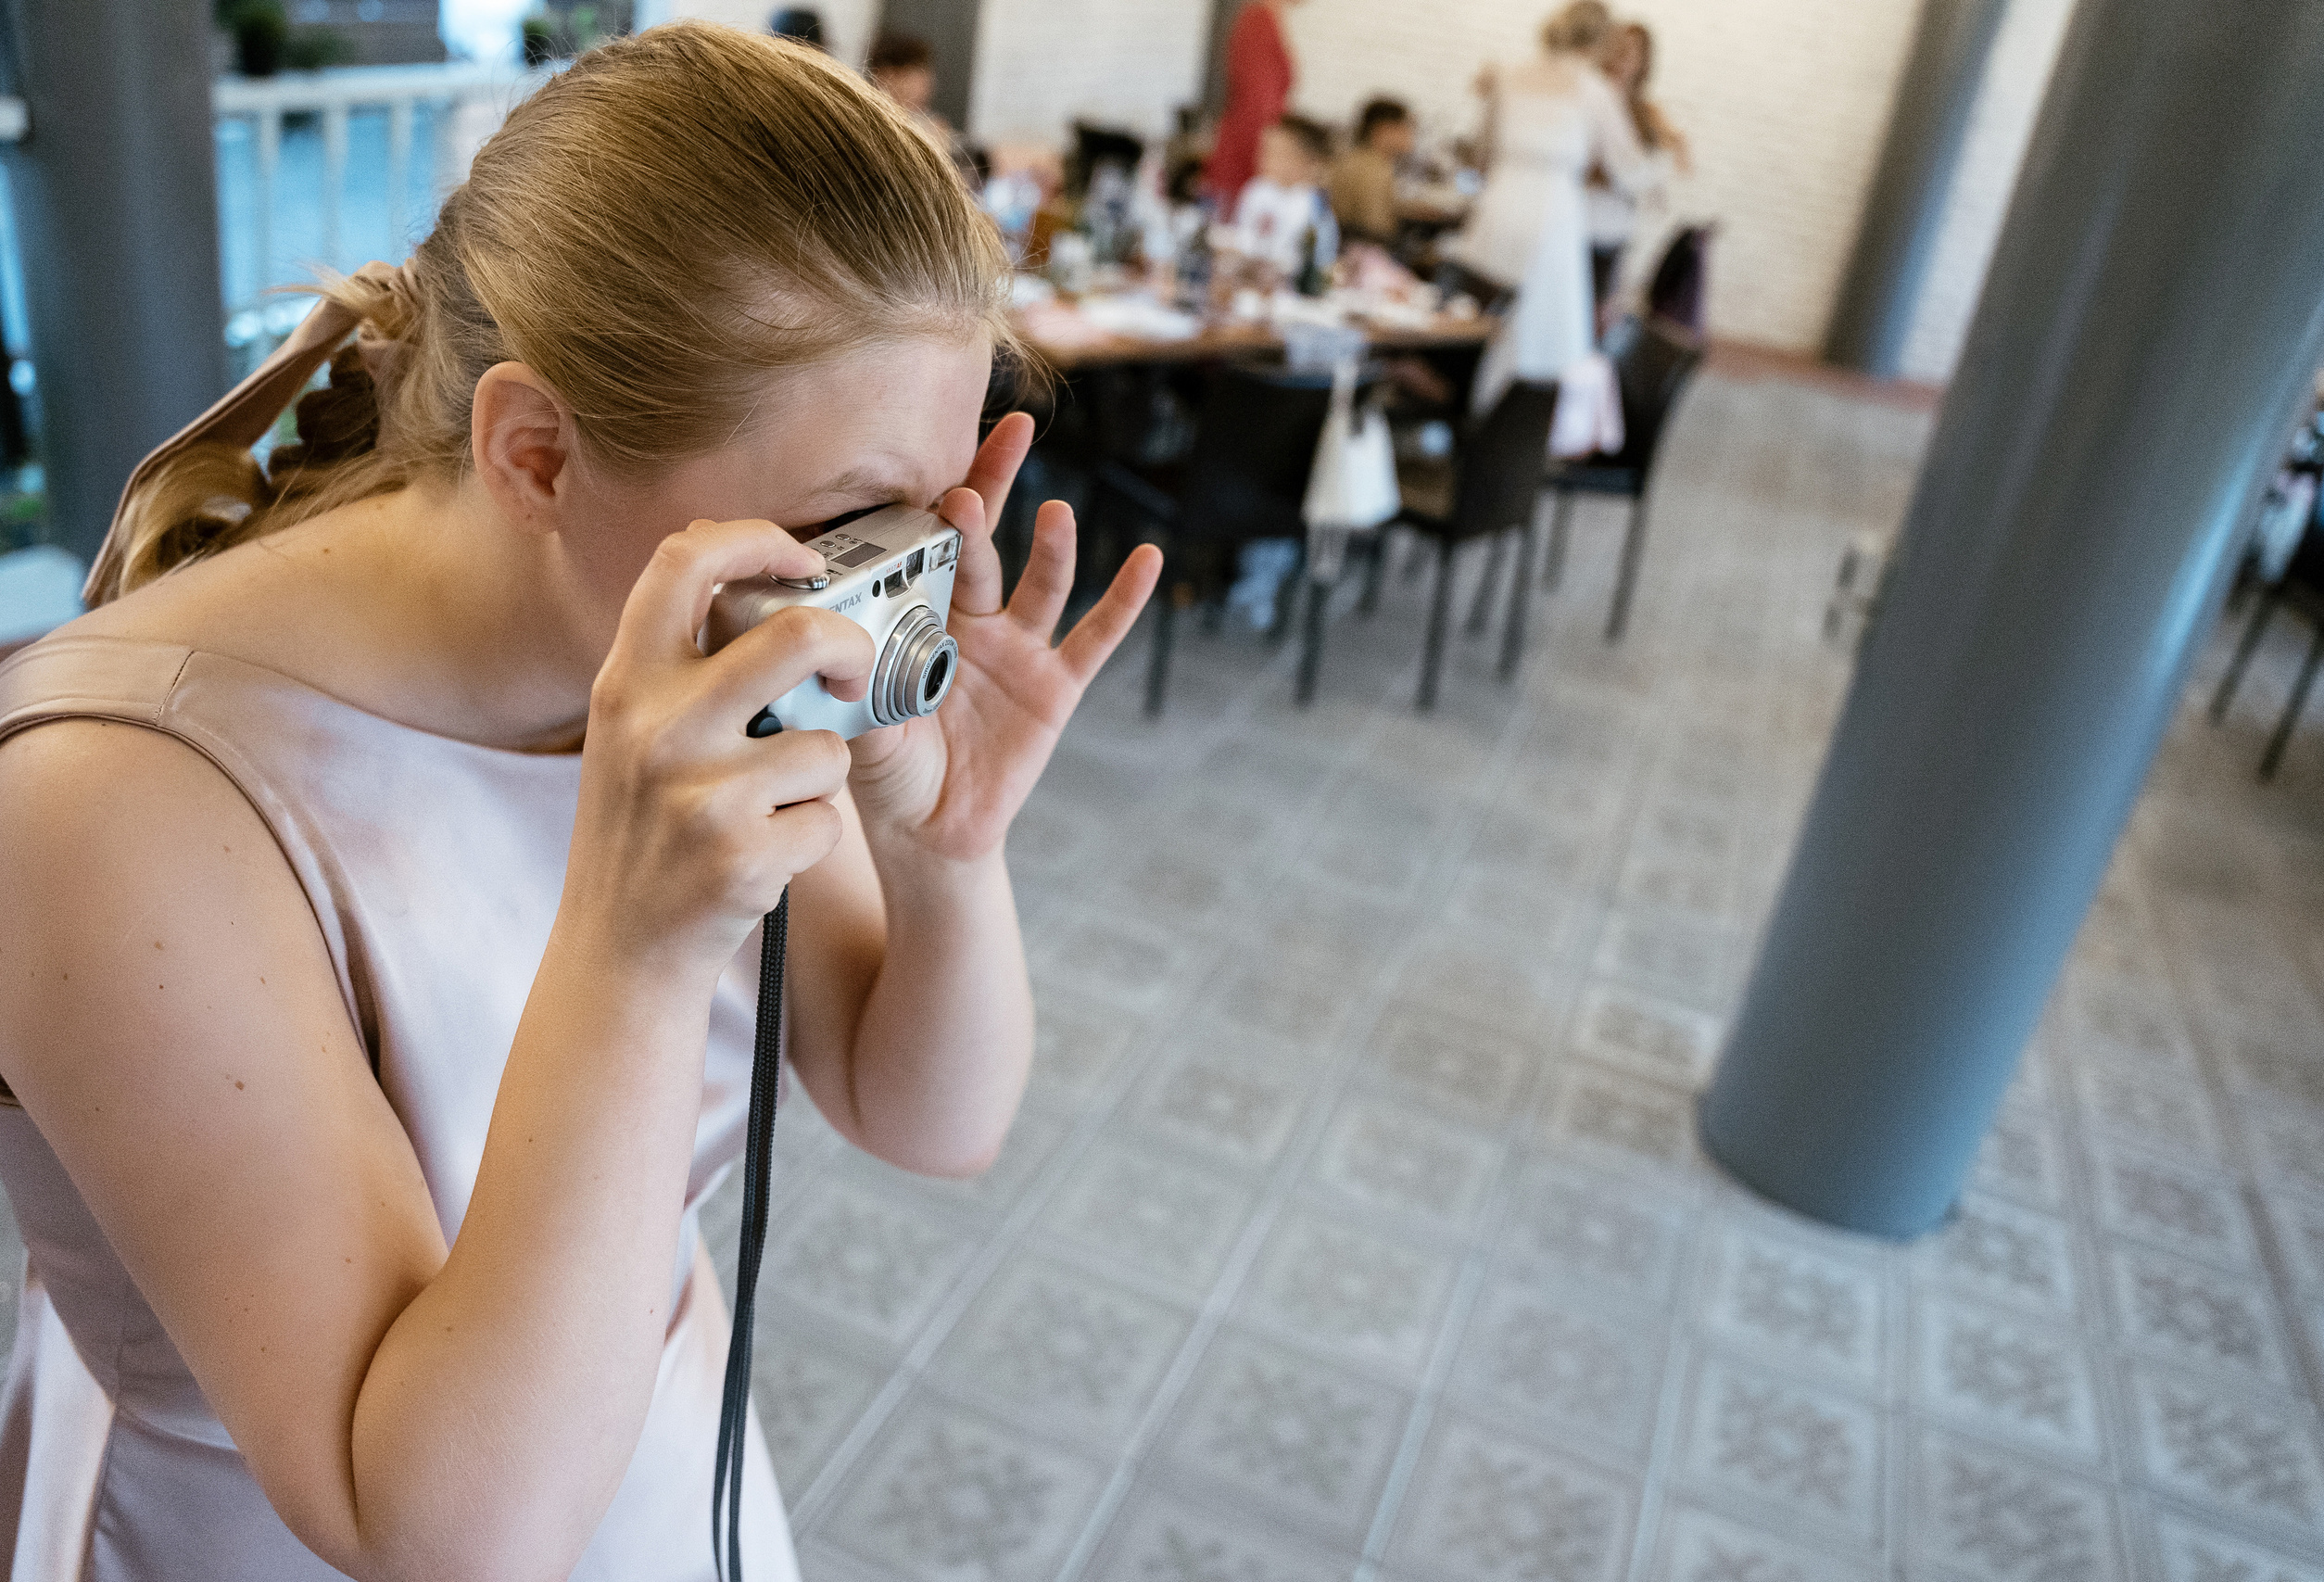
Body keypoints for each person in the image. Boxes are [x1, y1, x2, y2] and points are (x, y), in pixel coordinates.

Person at [0, 21, 1157, 1580]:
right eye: (848, 516)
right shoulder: (106, 805)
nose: (895, 586)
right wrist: (634, 948)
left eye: (927, 513)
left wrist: (949, 851)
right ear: (535, 452)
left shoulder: (684, 660)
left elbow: (927, 1114)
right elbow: (435, 1525)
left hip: (655, 1480)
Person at [1449, 1, 1655, 437]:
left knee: (1484, 312)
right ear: (1600, 42)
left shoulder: (1506, 75)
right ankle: (1508, 431)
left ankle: (1462, 412)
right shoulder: (1592, 88)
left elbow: (1479, 152)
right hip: (1551, 212)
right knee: (1539, 333)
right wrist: (1664, 167)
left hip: (1500, 204)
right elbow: (1629, 168)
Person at [1588, 19, 1689, 309]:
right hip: (1584, 218)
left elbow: (1676, 164)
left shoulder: (1647, 112)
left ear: (1644, 62)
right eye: (1618, 48)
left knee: (1603, 307)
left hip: (1618, 224)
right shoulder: (1590, 96)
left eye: (1633, 52)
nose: (1623, 58)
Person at [1205, 0, 1304, 215]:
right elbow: (1256, 102)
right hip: (1250, 147)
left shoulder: (1266, 17)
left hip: (1259, 144)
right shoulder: (1258, 21)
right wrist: (1274, 160)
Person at [1228, 114, 1336, 285]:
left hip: (1289, 284)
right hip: (1249, 275)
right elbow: (1240, 234)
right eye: (1264, 151)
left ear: (1303, 162)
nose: (1262, 158)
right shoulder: (1257, 189)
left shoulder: (1315, 205)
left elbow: (1322, 264)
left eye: (1275, 154)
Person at [1330, 96, 1415, 247]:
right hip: (1360, 252)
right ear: (1384, 130)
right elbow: (1375, 229)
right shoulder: (1376, 170)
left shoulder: (1352, 158)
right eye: (1406, 127)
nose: (1411, 135)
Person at [867, 31, 959, 152]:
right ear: (886, 75)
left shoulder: (927, 123)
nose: (926, 90)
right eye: (916, 79)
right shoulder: (870, 122)